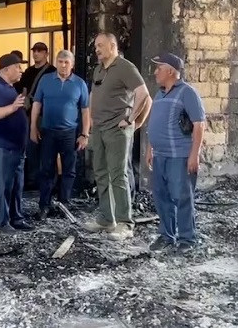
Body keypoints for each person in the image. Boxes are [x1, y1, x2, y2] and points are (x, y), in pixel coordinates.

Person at [86, 32, 151, 240]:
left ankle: (125, 223)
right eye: (96, 46)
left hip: (117, 129)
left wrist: (132, 120)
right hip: (100, 129)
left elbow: (144, 94)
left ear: (112, 45)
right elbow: (93, 96)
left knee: (118, 175)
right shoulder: (99, 69)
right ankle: (107, 218)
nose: (97, 49)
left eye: (101, 45)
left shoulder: (125, 67)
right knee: (101, 173)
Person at [145, 53, 206, 254]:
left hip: (179, 155)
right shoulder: (160, 94)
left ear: (171, 71)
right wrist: (149, 148)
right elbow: (153, 122)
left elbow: (199, 125)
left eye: (159, 68)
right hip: (160, 155)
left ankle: (187, 239)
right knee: (161, 197)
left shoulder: (187, 93)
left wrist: (194, 155)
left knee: (181, 197)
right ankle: (166, 236)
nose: (155, 72)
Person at [30, 50, 91, 220]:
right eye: (60, 61)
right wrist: (33, 127)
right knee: (46, 170)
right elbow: (36, 104)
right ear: (56, 62)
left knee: (69, 170)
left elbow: (85, 111)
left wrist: (85, 134)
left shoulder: (79, 84)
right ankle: (45, 206)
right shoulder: (46, 80)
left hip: (69, 134)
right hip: (48, 132)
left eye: (66, 62)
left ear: (72, 64)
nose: (63, 65)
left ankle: (64, 204)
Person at [0, 53, 35, 234]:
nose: (21, 70)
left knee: (16, 184)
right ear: (6, 69)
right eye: (17, 67)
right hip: (3, 144)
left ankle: (16, 218)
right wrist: (13, 108)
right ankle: (2, 221)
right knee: (4, 184)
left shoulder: (10, 87)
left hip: (16, 146)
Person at [17, 42, 57, 190]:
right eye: (34, 51)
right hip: (30, 114)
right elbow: (24, 90)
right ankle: (34, 180)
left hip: (47, 115)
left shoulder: (52, 71)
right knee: (32, 148)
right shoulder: (28, 72)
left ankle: (48, 181)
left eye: (39, 51)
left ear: (46, 53)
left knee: (47, 150)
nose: (36, 54)